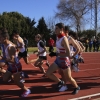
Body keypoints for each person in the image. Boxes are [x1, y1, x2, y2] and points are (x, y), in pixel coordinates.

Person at [46, 23, 80, 94]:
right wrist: (54, 52)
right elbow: (59, 48)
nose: (55, 30)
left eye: (56, 28)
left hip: (64, 61)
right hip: (58, 60)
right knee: (48, 73)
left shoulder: (64, 39)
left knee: (69, 78)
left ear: (61, 29)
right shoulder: (57, 37)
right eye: (55, 28)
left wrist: (56, 53)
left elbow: (67, 53)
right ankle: (60, 82)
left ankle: (76, 87)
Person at [0, 32, 31, 97]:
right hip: (11, 66)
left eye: (0, 38)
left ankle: (27, 90)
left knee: (16, 82)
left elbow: (13, 60)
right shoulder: (6, 45)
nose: (0, 39)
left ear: (5, 38)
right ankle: (21, 74)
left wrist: (4, 59)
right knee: (5, 79)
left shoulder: (10, 47)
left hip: (16, 66)